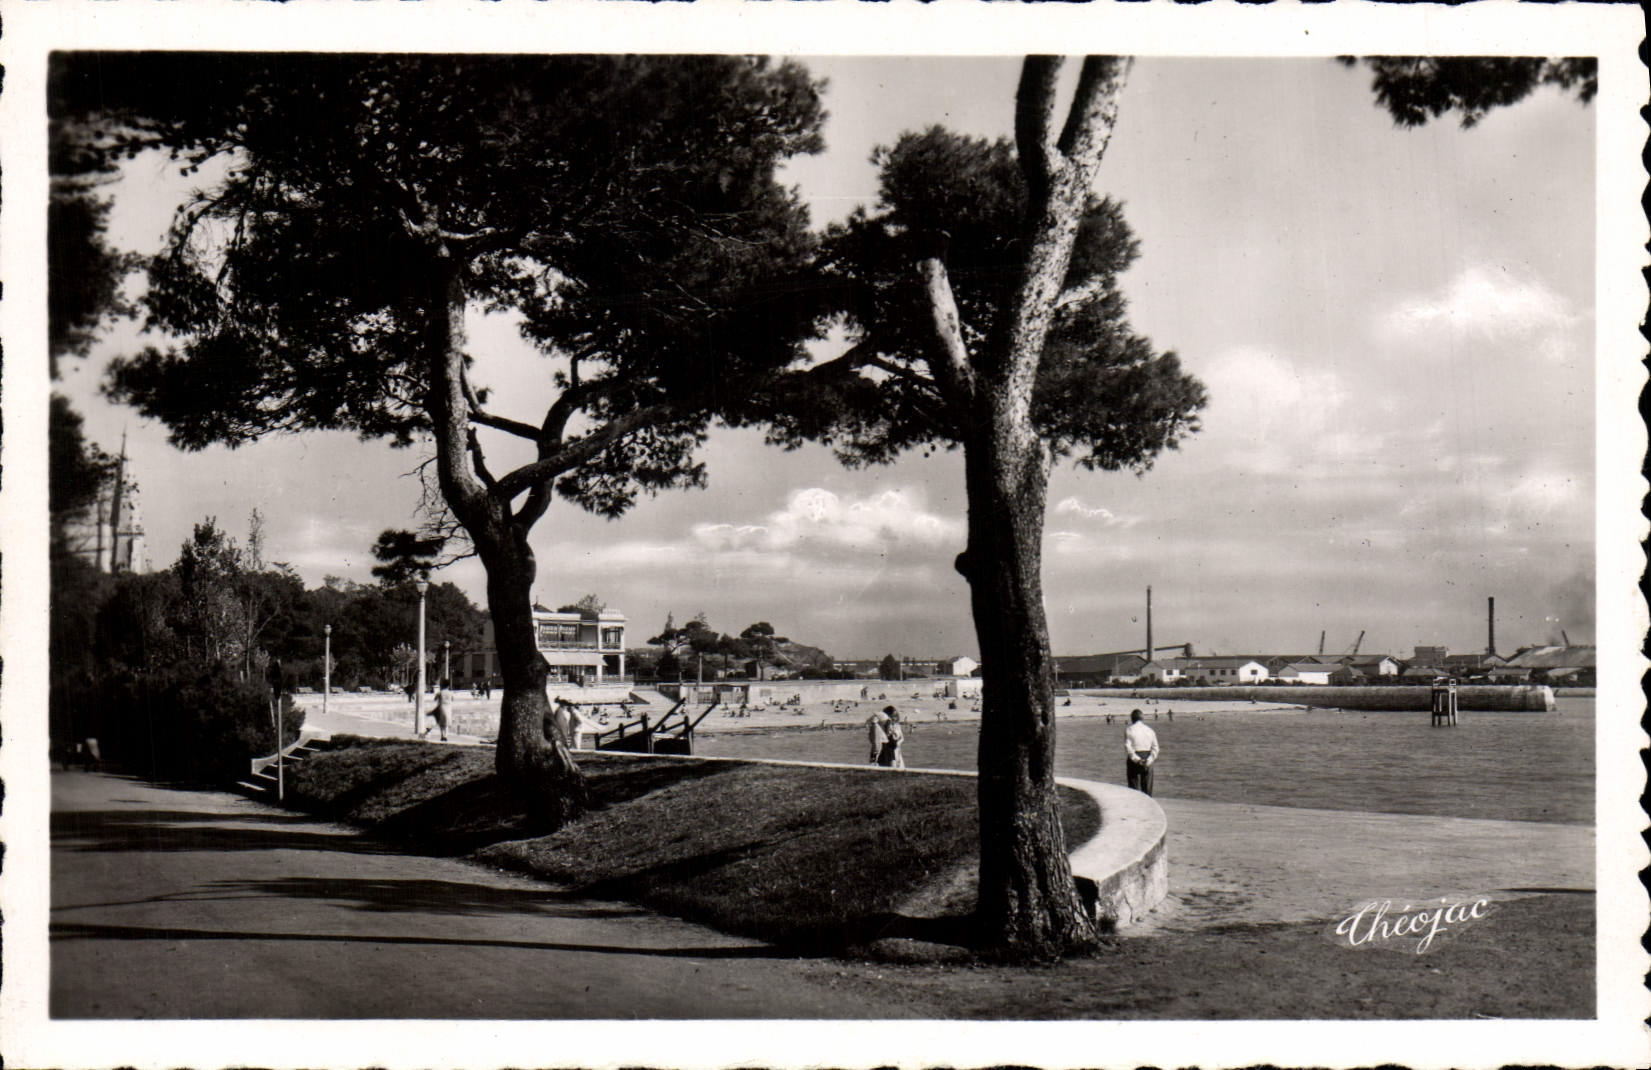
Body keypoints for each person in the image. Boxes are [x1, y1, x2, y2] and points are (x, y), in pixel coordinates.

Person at [1125, 709, 1158, 796]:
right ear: (1142, 719)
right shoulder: (1150, 731)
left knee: (1133, 788)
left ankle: (1135, 805)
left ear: (1132, 719)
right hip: (1147, 756)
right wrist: (1150, 760)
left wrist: (1137, 760)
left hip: (1134, 758)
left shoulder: (1129, 729)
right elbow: (1155, 748)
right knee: (1147, 788)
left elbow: (1128, 748)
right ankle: (1147, 805)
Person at [422, 677, 452, 742]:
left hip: (441, 707)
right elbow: (452, 699)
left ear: (442, 685)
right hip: (448, 708)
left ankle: (442, 735)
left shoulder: (440, 692)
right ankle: (445, 736)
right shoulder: (450, 693)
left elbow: (435, 699)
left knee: (441, 723)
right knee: (446, 723)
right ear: (448, 686)